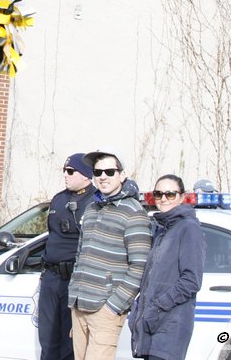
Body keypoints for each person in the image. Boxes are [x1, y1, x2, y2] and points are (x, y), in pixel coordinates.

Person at [68, 150, 151, 360]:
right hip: (79, 304)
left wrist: (112, 307)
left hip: (104, 309)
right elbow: (80, 254)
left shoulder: (133, 212)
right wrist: (74, 292)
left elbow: (139, 266)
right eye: (98, 172)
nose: (103, 176)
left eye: (109, 171)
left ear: (122, 176)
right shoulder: (92, 207)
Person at [130, 175, 204, 360]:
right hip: (151, 324)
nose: (163, 199)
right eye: (159, 194)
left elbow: (191, 281)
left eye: (170, 194)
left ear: (181, 197)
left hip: (171, 323)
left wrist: (157, 307)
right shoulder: (161, 229)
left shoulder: (188, 228)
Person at [40, 154, 96, 360]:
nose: (65, 174)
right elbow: (50, 237)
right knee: (47, 338)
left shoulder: (95, 202)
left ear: (86, 175)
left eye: (70, 171)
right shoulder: (58, 199)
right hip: (51, 278)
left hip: (75, 279)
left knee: (70, 342)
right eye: (64, 170)